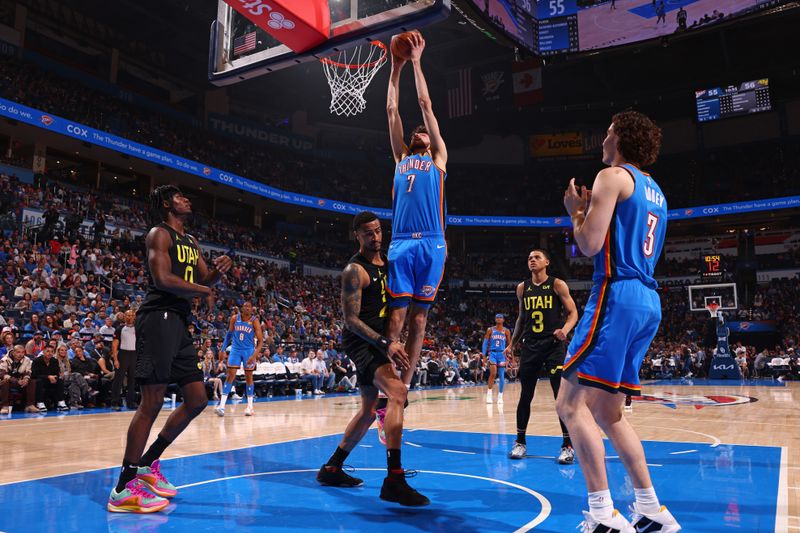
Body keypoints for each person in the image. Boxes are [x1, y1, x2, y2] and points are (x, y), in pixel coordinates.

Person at [556, 111, 681, 531]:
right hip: (648, 299)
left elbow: (590, 244)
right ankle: (651, 509)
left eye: (608, 131)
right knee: (610, 413)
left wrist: (576, 211)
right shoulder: (658, 192)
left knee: (570, 404)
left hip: (618, 293)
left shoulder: (612, 176)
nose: (603, 138)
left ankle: (602, 513)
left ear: (622, 139)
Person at [108, 185, 232, 513]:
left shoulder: (190, 241)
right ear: (167, 204)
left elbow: (204, 277)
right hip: (157, 316)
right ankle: (123, 486)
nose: (188, 198)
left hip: (177, 320)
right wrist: (204, 288)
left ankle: (149, 463)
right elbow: (162, 278)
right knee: (152, 401)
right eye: (180, 196)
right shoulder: (158, 234)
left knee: (197, 398)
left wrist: (217, 271)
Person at [317, 212, 428, 506]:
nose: (376, 237)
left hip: (381, 343)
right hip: (363, 343)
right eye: (368, 233)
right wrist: (386, 343)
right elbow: (351, 320)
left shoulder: (390, 265)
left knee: (368, 411)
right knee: (398, 391)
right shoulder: (354, 270)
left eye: (378, 231)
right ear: (358, 236)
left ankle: (331, 468)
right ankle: (394, 478)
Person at [379, 30, 448, 436]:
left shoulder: (438, 157)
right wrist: (396, 67)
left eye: (425, 129)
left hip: (432, 241)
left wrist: (419, 62)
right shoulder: (401, 156)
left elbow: (425, 104)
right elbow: (392, 111)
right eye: (418, 130)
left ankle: (405, 386)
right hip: (402, 242)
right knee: (397, 319)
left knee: (419, 321)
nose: (421, 130)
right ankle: (391, 382)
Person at [505, 249, 578, 464]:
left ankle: (567, 446)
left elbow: (573, 313)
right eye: (529, 258)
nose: (532, 260)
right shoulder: (522, 288)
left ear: (547, 261)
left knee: (560, 397)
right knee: (525, 396)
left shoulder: (557, 284)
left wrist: (565, 329)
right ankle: (520, 442)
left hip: (553, 346)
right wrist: (512, 344)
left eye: (536, 257)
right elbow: (521, 318)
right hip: (530, 346)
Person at [215, 300, 263, 417]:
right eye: (244, 306)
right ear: (242, 308)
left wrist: (254, 355)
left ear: (252, 309)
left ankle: (250, 407)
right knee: (230, 376)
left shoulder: (254, 321)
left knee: (249, 377)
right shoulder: (234, 318)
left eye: (249, 306)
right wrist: (222, 349)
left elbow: (261, 341)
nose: (246, 308)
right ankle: (221, 406)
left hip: (249, 351)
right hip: (235, 350)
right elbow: (229, 335)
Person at [110, 310, 138, 411]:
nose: (130, 317)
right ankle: (115, 402)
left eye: (132, 315)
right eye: (128, 315)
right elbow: (114, 345)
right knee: (118, 379)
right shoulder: (119, 328)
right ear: (124, 317)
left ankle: (131, 402)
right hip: (123, 354)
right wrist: (116, 359)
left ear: (134, 316)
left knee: (132, 380)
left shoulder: (138, 328)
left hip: (134, 354)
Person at [0, 344, 39, 413]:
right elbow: (3, 374)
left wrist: (26, 379)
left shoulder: (27, 360)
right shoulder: (5, 360)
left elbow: (28, 372)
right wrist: (16, 381)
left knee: (32, 381)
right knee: (4, 381)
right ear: (13, 352)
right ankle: (5, 406)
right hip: (10, 381)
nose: (20, 354)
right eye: (18, 352)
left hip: (21, 382)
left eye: (22, 352)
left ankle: (30, 405)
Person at [483, 314, 511, 405]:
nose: (499, 319)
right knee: (493, 373)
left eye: (500, 318)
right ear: (495, 319)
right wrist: (484, 356)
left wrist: (512, 357)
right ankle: (489, 394)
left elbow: (510, 345)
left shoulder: (506, 331)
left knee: (502, 376)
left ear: (503, 320)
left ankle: (500, 396)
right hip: (493, 353)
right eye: (497, 318)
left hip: (502, 354)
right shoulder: (490, 330)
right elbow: (485, 343)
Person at [31, 345, 68, 412]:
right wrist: (48, 377)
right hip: (40, 380)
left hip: (51, 381)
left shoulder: (54, 361)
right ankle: (40, 403)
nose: (49, 353)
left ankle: (60, 402)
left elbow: (57, 372)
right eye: (47, 351)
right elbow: (34, 374)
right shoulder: (37, 361)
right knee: (39, 381)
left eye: (52, 352)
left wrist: (54, 377)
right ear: (43, 352)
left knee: (60, 380)